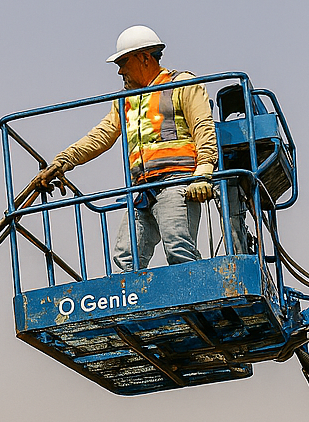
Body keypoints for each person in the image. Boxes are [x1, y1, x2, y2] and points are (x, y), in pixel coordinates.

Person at [39, 26, 218, 272]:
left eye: (124, 62)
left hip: (177, 181)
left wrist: (204, 171)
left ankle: (197, 301)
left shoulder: (182, 84)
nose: (120, 71)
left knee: (179, 249)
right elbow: (102, 135)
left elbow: (202, 126)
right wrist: (62, 161)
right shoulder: (126, 99)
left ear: (145, 57)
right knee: (126, 259)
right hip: (143, 189)